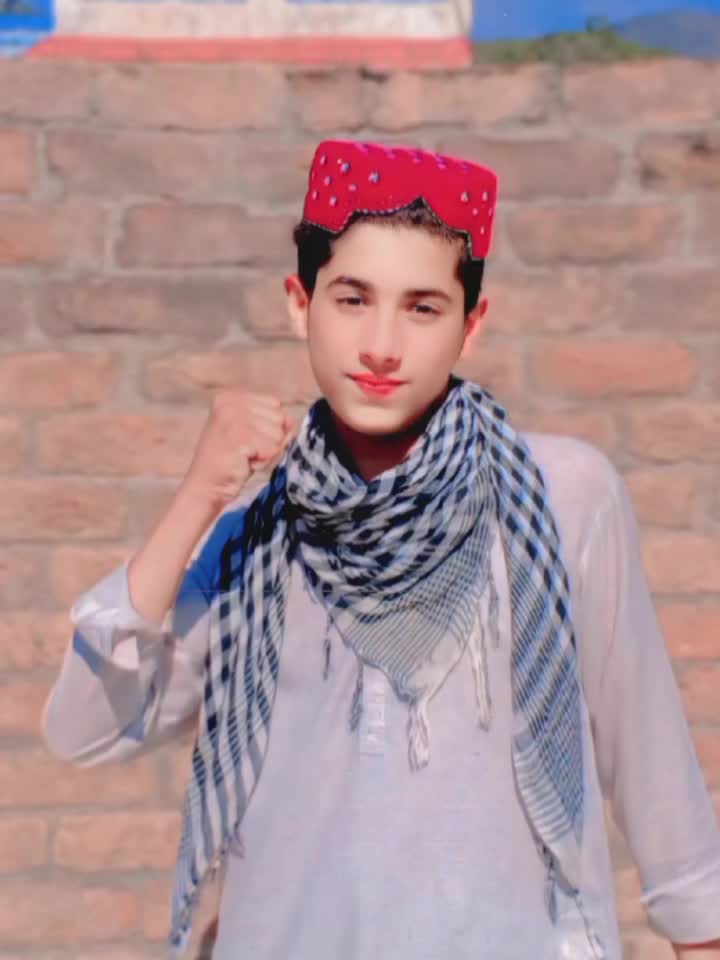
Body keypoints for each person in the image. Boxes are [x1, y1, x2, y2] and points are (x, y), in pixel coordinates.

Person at [43, 140, 720, 960]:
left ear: (472, 324)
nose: (381, 345)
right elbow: (85, 729)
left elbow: (649, 758)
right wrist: (196, 500)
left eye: (422, 308)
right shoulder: (258, 534)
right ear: (300, 304)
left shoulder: (563, 499)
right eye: (353, 299)